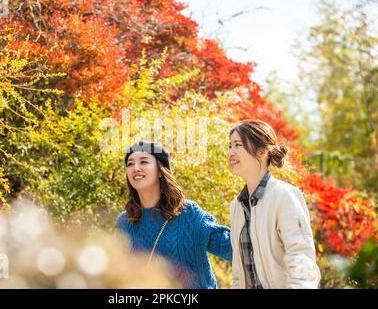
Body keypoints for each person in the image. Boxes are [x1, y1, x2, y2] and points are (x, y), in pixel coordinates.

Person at [116, 141, 232, 288]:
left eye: (143, 161)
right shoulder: (124, 222)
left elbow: (231, 248)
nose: (136, 168)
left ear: (160, 171)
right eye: (130, 164)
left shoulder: (188, 213)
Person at [228, 120, 321, 289]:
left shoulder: (284, 196)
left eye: (238, 145)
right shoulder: (236, 206)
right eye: (230, 146)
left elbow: (301, 257)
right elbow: (238, 273)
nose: (231, 152)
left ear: (262, 151)